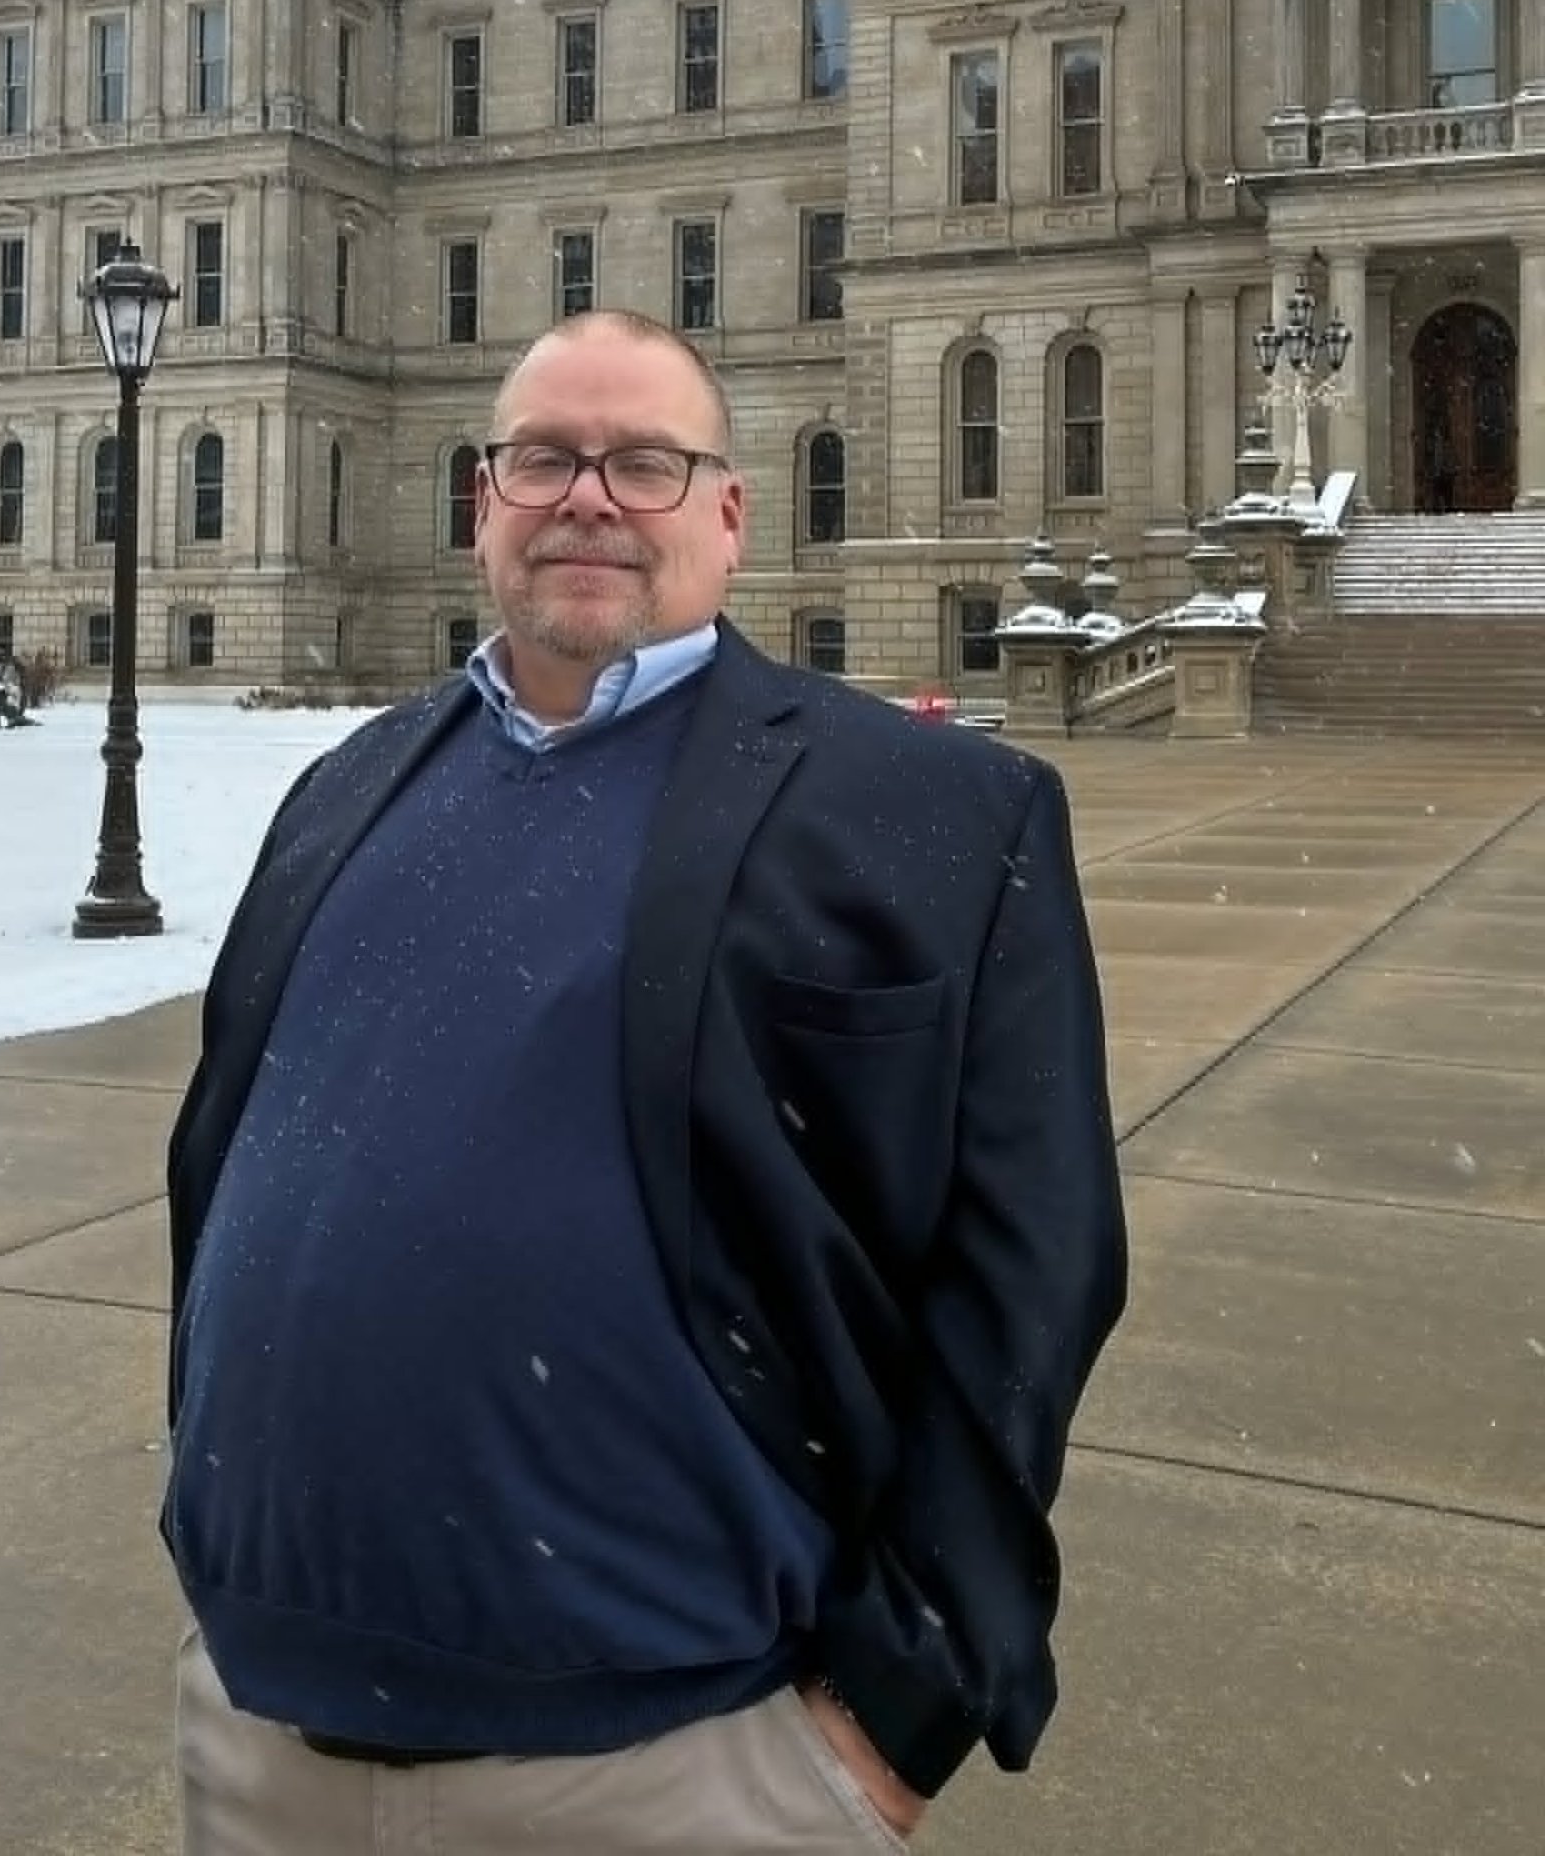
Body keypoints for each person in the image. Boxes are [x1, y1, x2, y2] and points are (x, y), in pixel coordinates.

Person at [164, 309, 1127, 1855]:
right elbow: (224, 1168)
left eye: (645, 464)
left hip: (680, 1765)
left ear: (730, 515)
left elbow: (1034, 1272)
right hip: (268, 1735)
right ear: (484, 501)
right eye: (544, 457)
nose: (588, 498)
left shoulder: (939, 808)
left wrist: (903, 1705)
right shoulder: (345, 788)